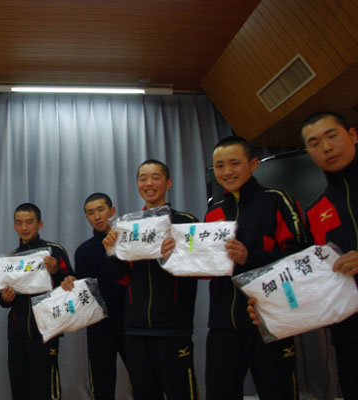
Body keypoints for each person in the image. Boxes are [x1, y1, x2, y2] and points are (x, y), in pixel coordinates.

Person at [248, 111, 357, 399]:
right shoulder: (316, 210)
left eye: (332, 136)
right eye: (314, 143)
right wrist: (271, 307)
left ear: (352, 135)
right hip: (349, 334)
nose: (326, 147)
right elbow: (317, 279)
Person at [205, 137, 309, 400]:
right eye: (219, 166)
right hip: (223, 324)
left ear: (253, 164)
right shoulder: (213, 212)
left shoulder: (277, 200)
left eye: (234, 163)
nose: (226, 172)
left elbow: (300, 258)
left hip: (270, 320)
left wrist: (249, 257)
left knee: (278, 392)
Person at [102, 160, 199, 400]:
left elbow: (199, 268)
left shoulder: (186, 222)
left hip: (173, 328)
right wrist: (111, 251)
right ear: (137, 184)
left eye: (156, 177)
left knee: (181, 393)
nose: (149, 183)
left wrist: (174, 254)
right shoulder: (127, 226)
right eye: (143, 178)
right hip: (135, 329)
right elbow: (121, 278)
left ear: (168, 183)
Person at [0, 202, 74, 400]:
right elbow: (3, 300)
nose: (24, 227)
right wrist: (5, 298)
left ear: (40, 224)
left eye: (29, 222)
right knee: (19, 387)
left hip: (46, 331)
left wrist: (56, 272)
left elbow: (71, 285)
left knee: (44, 388)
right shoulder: (10, 259)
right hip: (17, 332)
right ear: (14, 226)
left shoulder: (55, 251)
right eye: (19, 223)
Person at [61, 193, 130, 400]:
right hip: (99, 326)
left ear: (112, 211)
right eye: (91, 213)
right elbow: (84, 289)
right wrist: (70, 282)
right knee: (102, 385)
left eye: (101, 210)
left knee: (144, 380)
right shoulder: (83, 251)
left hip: (131, 322)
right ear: (86, 217)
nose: (97, 216)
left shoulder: (128, 240)